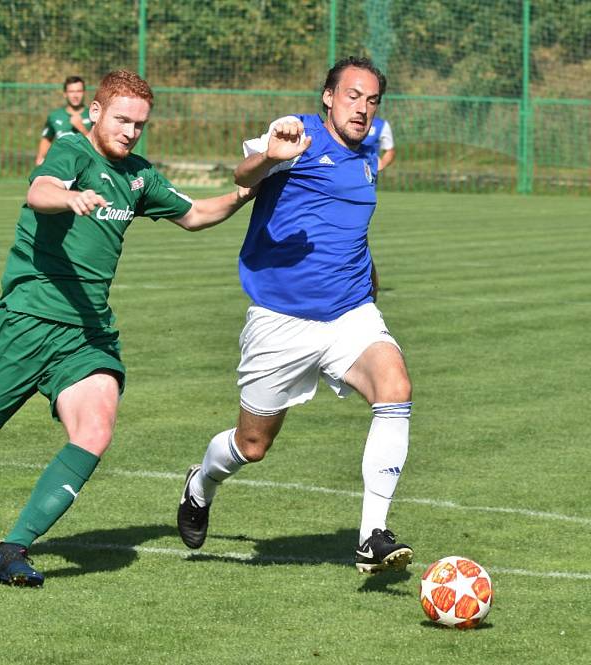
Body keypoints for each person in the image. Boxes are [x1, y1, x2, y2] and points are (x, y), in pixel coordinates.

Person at [0, 70, 255, 587]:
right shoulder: (71, 151)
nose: (131, 132)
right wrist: (69, 198)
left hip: (86, 333)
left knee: (95, 430)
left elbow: (196, 213)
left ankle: (10, 551)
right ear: (96, 113)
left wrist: (247, 190)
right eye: (122, 120)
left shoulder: (139, 176)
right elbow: (40, 189)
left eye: (140, 124)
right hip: (27, 322)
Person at [176, 56, 414, 574]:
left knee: (395, 387)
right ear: (327, 97)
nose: (363, 109)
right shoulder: (297, 132)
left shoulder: (367, 156)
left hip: (350, 312)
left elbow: (350, 226)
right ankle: (201, 483)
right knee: (252, 445)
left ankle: (372, 534)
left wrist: (369, 275)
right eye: (353, 96)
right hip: (280, 320)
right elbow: (244, 174)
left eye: (372, 100)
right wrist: (269, 155)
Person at [34, 75, 93, 165]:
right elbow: (47, 139)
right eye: (71, 91)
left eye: (79, 91)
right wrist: (40, 158)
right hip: (61, 165)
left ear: (84, 92)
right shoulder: (55, 116)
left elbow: (98, 145)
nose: (75, 95)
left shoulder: (93, 115)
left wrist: (81, 128)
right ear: (65, 94)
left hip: (87, 165)